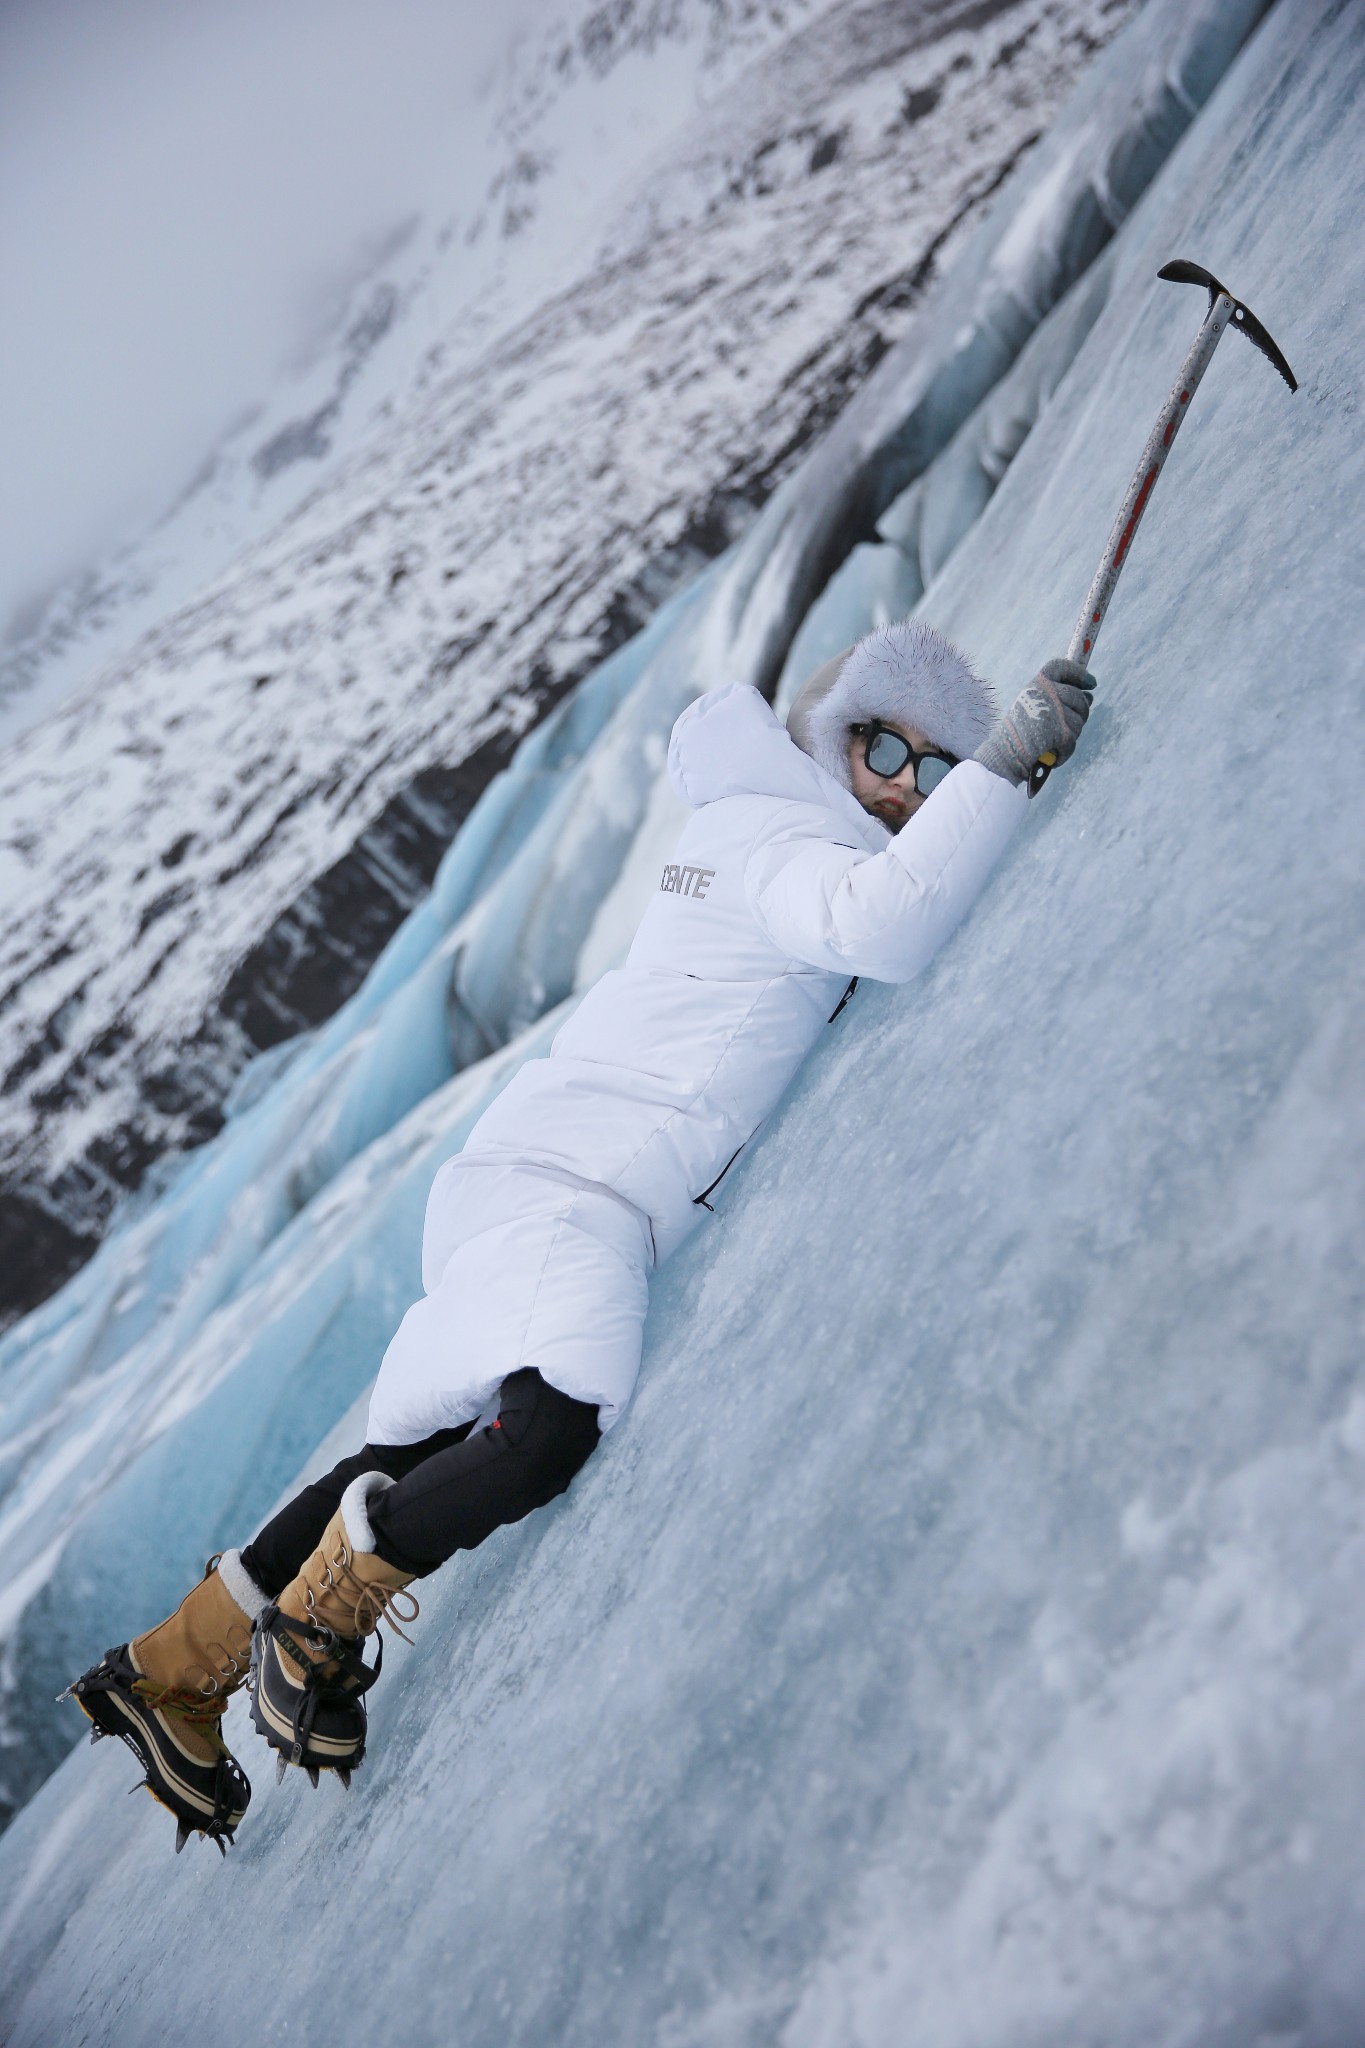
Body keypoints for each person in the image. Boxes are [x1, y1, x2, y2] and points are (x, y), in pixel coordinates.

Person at [64, 620, 1093, 1852]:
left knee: (424, 1434)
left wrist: (961, 781)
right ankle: (325, 1611)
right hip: (581, 1192)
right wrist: (1006, 764)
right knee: (555, 1418)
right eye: (886, 748)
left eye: (925, 776)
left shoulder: (738, 827)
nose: (897, 788)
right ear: (832, 732)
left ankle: (174, 1668)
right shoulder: (792, 841)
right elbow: (885, 926)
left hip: (529, 1169)